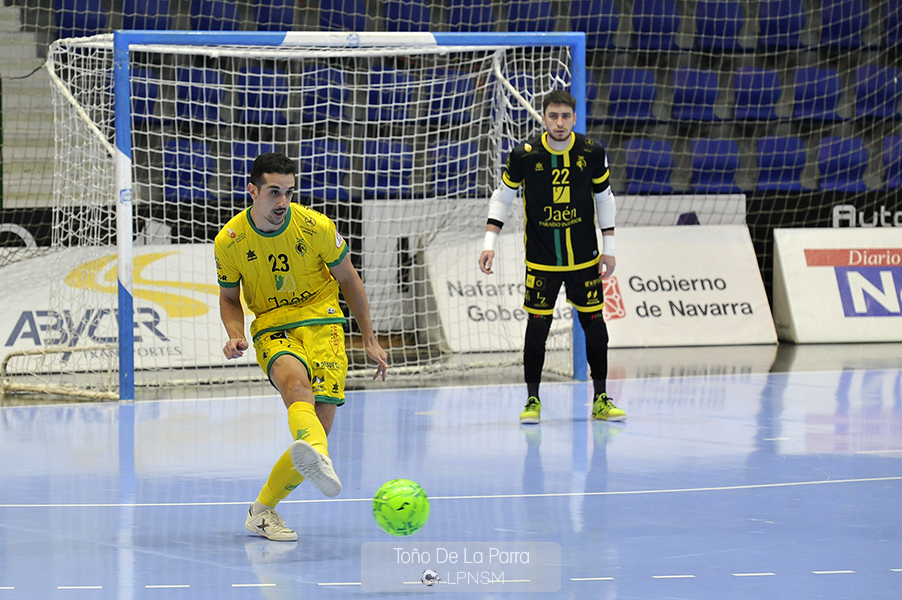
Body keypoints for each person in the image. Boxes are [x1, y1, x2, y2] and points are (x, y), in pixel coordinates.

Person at [216, 152, 389, 541]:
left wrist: (369, 338)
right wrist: (233, 332)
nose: (282, 202)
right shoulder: (229, 240)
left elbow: (350, 280)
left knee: (316, 433)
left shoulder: (316, 227)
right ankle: (314, 449)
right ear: (253, 191)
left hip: (323, 321)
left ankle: (262, 511)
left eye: (289, 193)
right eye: (274, 192)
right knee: (297, 389)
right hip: (273, 325)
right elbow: (229, 298)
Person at [477, 90, 625, 425]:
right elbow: (503, 198)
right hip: (542, 260)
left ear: (574, 118)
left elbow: (604, 198)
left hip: (584, 259)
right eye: (553, 116)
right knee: (537, 328)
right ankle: (532, 400)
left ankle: (601, 398)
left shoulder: (592, 151)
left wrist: (610, 248)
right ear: (544, 118)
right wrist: (490, 242)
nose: (559, 122)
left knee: (595, 325)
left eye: (565, 116)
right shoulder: (525, 154)